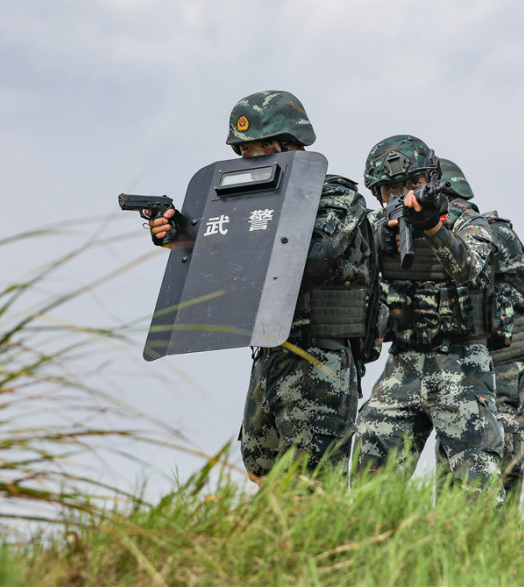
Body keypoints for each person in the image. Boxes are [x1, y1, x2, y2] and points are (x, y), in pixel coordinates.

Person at [147, 90, 378, 480]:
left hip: (320, 356)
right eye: (243, 153)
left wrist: (227, 235)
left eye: (257, 151)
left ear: (289, 146)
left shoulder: (335, 195)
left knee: (314, 483)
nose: (248, 162)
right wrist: (181, 233)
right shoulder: (248, 206)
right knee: (263, 472)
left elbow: (314, 257)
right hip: (269, 352)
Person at [354, 136, 504, 489]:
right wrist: (373, 245)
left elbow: (469, 269)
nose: (401, 195)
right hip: (403, 361)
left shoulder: (467, 220)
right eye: (389, 189)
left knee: (476, 484)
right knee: (370, 477)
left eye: (410, 185)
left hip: (461, 362)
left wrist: (433, 227)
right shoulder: (375, 223)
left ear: (430, 181)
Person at [432, 159, 524, 501]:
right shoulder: (493, 230)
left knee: (496, 479)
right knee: (459, 479)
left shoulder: (489, 232)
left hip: (504, 368)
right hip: (474, 370)